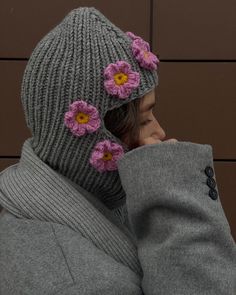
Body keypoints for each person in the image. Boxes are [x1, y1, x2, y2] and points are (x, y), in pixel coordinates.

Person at [0, 7, 235, 294]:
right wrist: (177, 203)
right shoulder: (74, 281)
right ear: (92, 137)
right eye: (145, 119)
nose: (160, 133)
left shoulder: (96, 203)